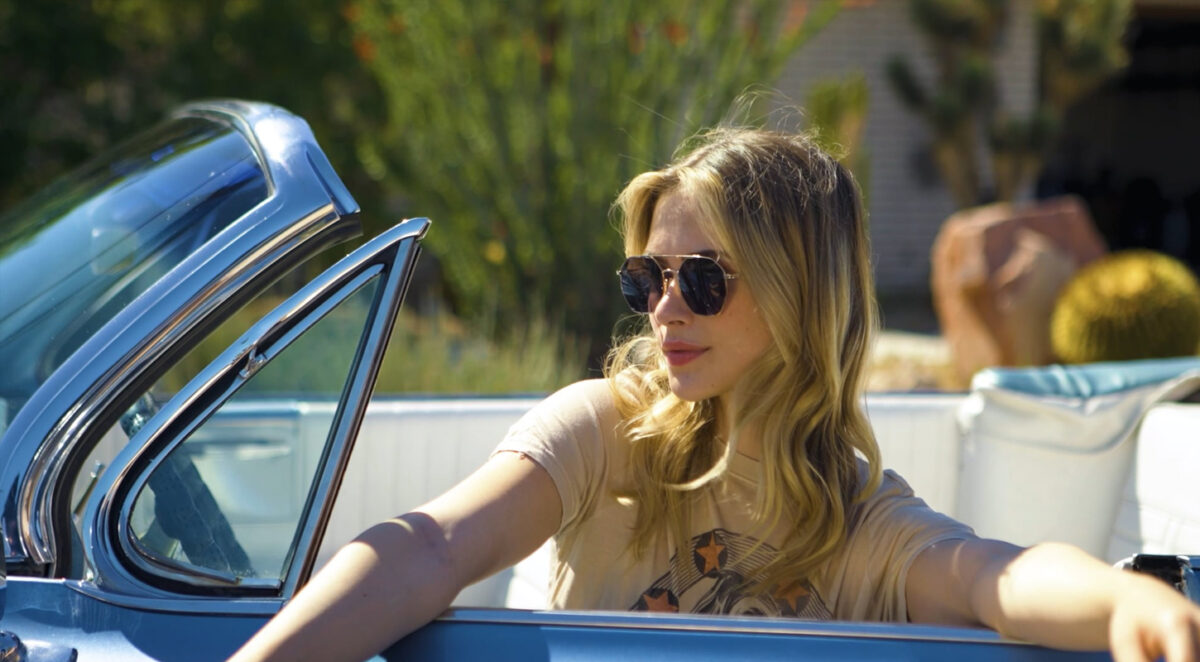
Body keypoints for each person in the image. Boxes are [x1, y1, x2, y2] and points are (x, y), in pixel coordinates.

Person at [232, 128, 1200, 662]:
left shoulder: (858, 522)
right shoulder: (604, 432)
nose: (662, 310)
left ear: (799, 297)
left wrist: (1126, 602)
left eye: (703, 278)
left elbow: (992, 576)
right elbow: (434, 544)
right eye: (644, 278)